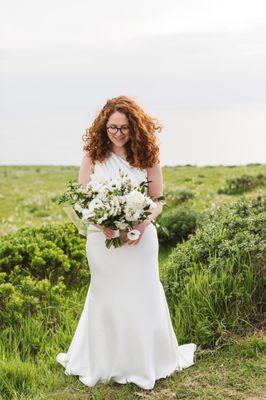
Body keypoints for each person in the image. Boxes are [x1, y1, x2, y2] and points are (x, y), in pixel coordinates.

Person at [56, 95, 197, 390]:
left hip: (140, 241)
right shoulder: (93, 156)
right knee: (105, 297)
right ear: (102, 127)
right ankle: (105, 362)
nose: (117, 134)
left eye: (123, 128)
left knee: (142, 294)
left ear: (135, 127)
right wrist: (101, 223)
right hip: (102, 242)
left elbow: (157, 199)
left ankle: (144, 361)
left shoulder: (148, 158)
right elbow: (82, 200)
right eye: (111, 128)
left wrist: (142, 222)